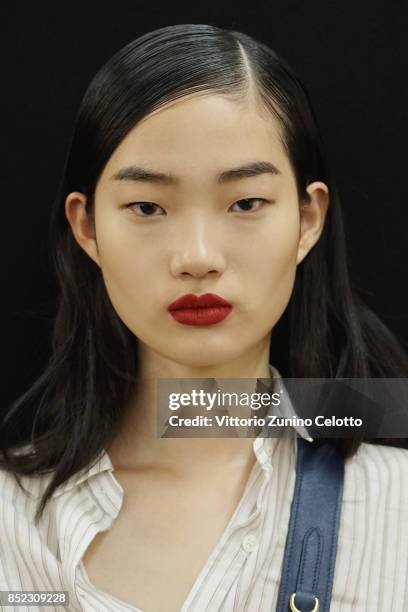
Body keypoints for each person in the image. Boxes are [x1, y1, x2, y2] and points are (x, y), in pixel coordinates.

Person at [1, 23, 407, 612]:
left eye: (246, 203)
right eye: (147, 206)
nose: (196, 257)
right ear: (87, 227)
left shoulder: (394, 504)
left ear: (308, 219)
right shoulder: (14, 518)